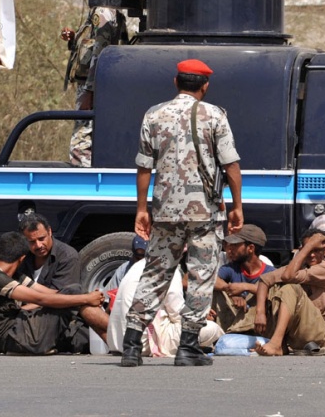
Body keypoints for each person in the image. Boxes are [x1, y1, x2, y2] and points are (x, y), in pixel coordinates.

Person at [121, 58, 243, 368]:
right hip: (204, 214)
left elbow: (144, 167)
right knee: (202, 277)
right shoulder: (215, 115)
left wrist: (141, 209)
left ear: (176, 83)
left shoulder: (154, 115)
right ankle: (188, 347)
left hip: (165, 212)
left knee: (156, 273)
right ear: (205, 85)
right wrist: (238, 206)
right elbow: (231, 166)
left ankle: (132, 345)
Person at [0, 231, 108, 355]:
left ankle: (114, 340)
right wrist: (85, 298)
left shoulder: (12, 275)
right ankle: (121, 334)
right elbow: (41, 299)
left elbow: (51, 293)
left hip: (21, 333)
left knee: (74, 295)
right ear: (22, 258)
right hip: (17, 337)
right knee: (76, 292)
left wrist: (85, 297)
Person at [60, 0, 127, 167]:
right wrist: (74, 39)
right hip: (94, 86)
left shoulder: (102, 13)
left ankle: (84, 184)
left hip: (94, 88)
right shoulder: (100, 11)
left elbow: (101, 53)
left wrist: (90, 91)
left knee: (80, 145)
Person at [252, 228, 325, 356]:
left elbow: (288, 276)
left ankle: (275, 343)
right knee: (274, 291)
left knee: (290, 288)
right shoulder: (302, 268)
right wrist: (260, 312)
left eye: (315, 250)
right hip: (305, 333)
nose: (311, 255)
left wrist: (307, 247)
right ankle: (279, 344)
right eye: (308, 250)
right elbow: (265, 280)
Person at [107, 258, 222, 357]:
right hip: (143, 343)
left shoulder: (137, 266)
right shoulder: (169, 268)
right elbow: (177, 313)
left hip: (119, 342)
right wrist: (199, 317)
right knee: (211, 328)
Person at [212, 224, 275, 333]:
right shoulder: (231, 268)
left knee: (262, 292)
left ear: (250, 248)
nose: (230, 248)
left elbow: (277, 295)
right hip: (234, 320)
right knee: (217, 291)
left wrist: (246, 287)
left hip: (259, 324)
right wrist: (231, 291)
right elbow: (211, 280)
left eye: (235, 245)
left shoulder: (270, 272)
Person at [18, 213, 81, 291]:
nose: (38, 245)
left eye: (41, 239)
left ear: (49, 231)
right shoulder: (22, 255)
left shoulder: (67, 257)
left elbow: (61, 297)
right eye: (32, 242)